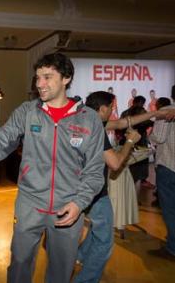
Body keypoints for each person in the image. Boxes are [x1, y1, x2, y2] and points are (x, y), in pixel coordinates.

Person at [0, 53, 105, 283]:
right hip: (30, 204)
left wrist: (80, 203)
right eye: (37, 78)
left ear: (66, 78)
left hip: (68, 207)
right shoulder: (28, 111)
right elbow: (2, 138)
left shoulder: (89, 119)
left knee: (61, 271)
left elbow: (95, 170)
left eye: (47, 77)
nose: (39, 84)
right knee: (20, 264)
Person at [73, 91, 141, 282]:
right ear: (102, 109)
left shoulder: (80, 120)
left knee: (96, 229)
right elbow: (115, 163)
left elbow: (120, 123)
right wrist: (129, 141)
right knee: (105, 242)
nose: (112, 112)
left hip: (78, 189)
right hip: (95, 193)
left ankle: (80, 257)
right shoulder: (95, 127)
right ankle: (85, 280)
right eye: (111, 108)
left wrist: (154, 115)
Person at [148, 86, 175, 261]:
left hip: (169, 164)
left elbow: (159, 137)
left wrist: (150, 136)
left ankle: (172, 248)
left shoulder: (166, 111)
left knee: (170, 209)